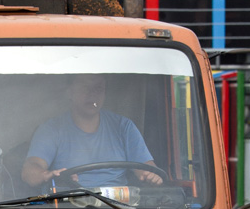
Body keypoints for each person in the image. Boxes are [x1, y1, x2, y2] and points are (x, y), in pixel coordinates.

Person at [21, 75, 162, 189]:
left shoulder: (123, 127)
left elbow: (146, 168)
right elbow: (29, 172)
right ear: (70, 92)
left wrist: (151, 174)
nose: (92, 95)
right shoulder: (51, 129)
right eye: (85, 87)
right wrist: (46, 175)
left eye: (98, 88)